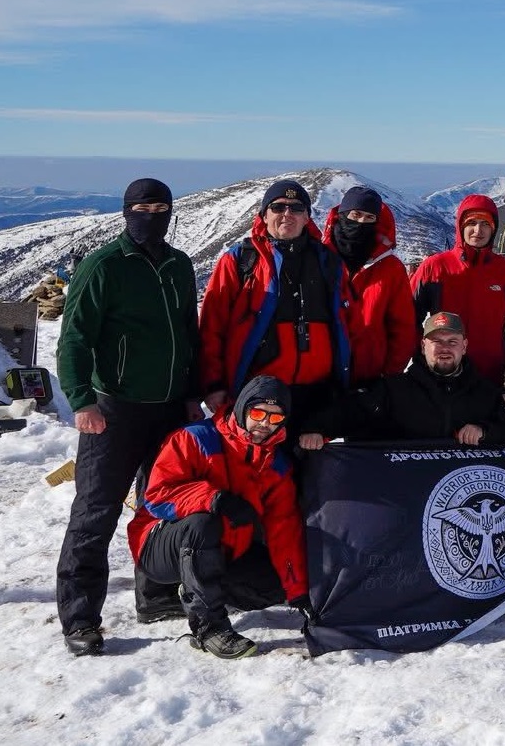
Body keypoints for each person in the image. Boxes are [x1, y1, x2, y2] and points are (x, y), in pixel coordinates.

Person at [54, 178, 201, 656]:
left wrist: (191, 394)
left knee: (160, 506)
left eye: (161, 207)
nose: (152, 215)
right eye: (143, 207)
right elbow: (74, 337)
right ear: (126, 212)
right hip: (114, 409)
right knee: (96, 511)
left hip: (169, 406)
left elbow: (187, 332)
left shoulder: (178, 265)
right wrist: (81, 400)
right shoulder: (104, 266)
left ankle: (155, 594)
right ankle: (80, 619)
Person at [127, 375, 310, 660]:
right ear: (242, 410)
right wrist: (214, 498)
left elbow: (283, 528)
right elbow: (157, 496)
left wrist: (297, 590)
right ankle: (209, 629)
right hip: (159, 547)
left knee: (275, 585)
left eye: (275, 418)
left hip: (223, 553)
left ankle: (203, 590)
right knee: (204, 522)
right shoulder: (194, 438)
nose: (265, 424)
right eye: (258, 413)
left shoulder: (276, 464)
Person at [198, 179, 351, 435]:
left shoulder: (328, 263)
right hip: (258, 392)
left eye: (296, 208)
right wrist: (213, 384)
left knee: (313, 469)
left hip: (318, 392)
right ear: (264, 215)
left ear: (307, 217)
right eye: (278, 207)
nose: (287, 214)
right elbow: (212, 325)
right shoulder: (240, 260)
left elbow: (347, 323)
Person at [411, 194, 505, 384]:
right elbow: (407, 317)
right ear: (461, 226)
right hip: (440, 374)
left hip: (488, 375)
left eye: (486, 224)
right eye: (472, 223)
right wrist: (424, 353)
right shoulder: (435, 267)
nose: (478, 230)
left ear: (494, 228)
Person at [342, 312, 505, 446]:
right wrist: (319, 430)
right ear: (423, 346)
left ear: (464, 346)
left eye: (452, 342)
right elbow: (350, 415)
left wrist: (485, 432)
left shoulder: (486, 392)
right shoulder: (395, 390)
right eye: (436, 341)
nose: (445, 348)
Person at [325, 186, 417, 385]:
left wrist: (388, 377)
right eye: (356, 214)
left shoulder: (390, 268)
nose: (360, 222)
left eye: (369, 218)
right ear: (342, 215)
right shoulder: (320, 259)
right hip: (322, 376)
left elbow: (402, 328)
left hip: (370, 379)